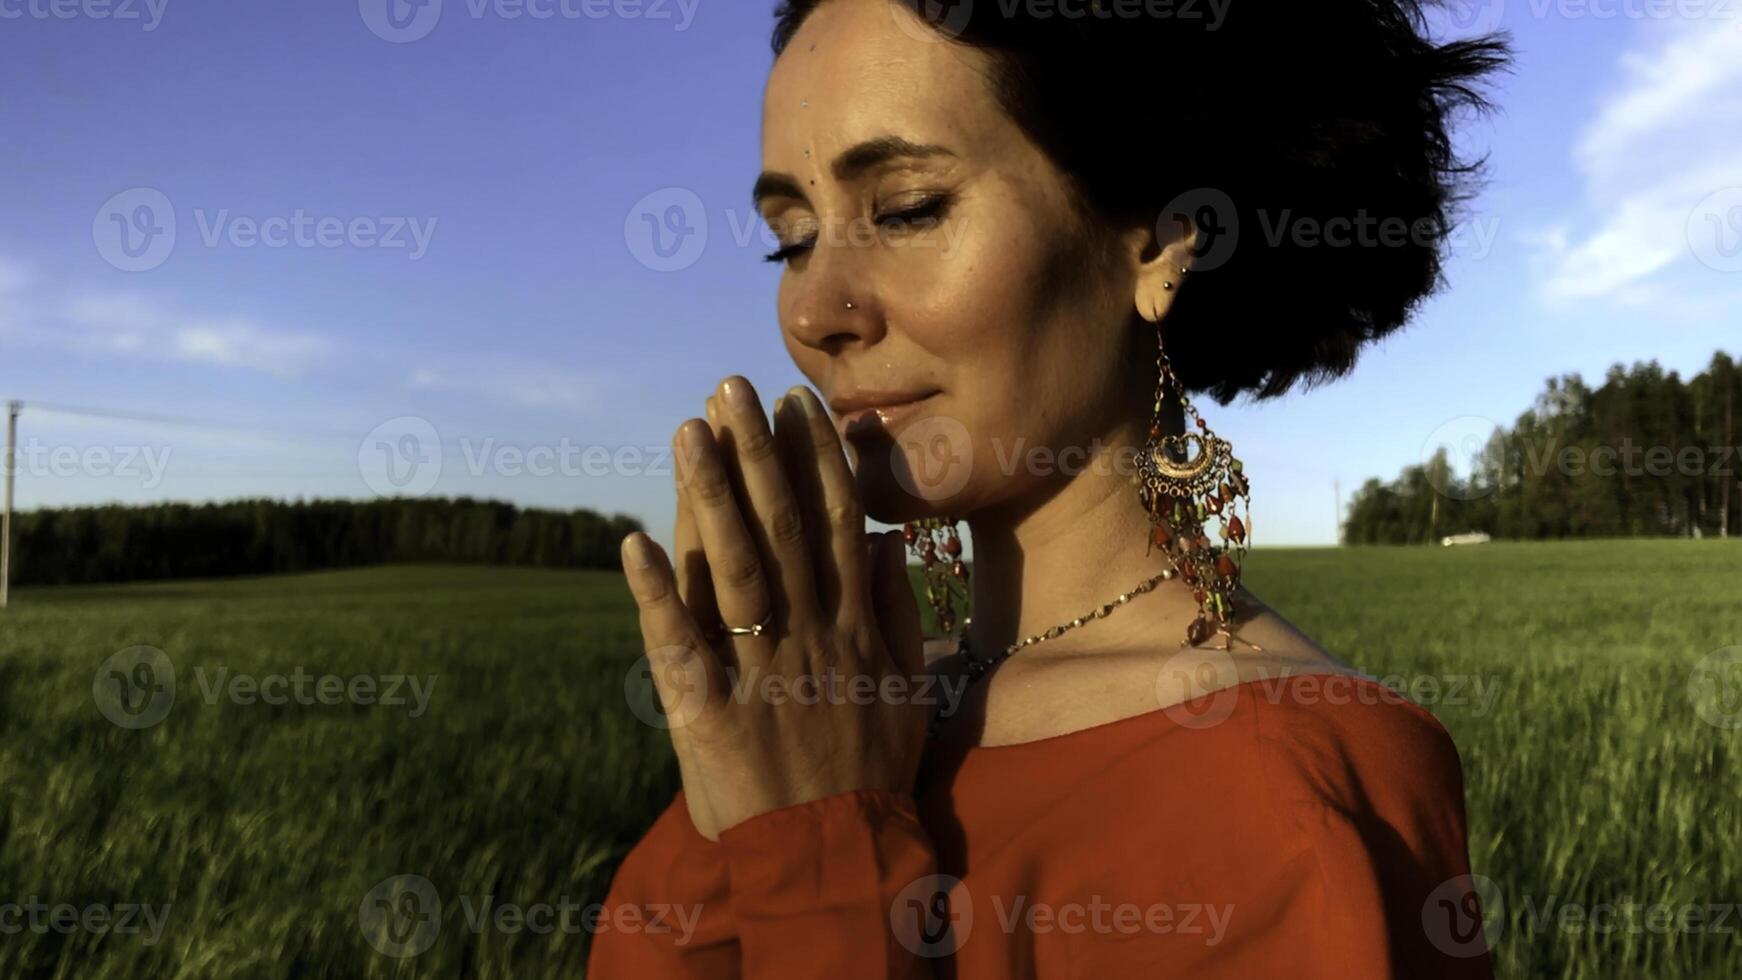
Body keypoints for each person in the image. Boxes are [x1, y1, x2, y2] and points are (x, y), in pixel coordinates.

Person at [594, 0, 1510, 975]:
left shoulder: (1290, 788)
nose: (814, 309)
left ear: (1157, 245)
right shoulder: (815, 706)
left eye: (906, 209)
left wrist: (815, 860)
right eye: (790, 238)